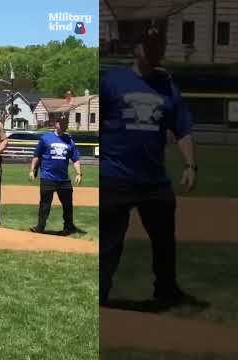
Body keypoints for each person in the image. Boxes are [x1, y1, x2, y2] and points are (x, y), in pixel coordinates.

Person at [99, 26, 197, 306]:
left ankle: (166, 290)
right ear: (136, 49)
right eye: (148, 45)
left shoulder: (168, 86)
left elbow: (183, 129)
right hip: (115, 176)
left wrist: (191, 165)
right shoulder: (112, 81)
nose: (154, 51)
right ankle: (99, 293)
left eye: (158, 46)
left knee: (165, 241)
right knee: (109, 244)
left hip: (154, 180)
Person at [29, 114, 82, 235]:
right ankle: (40, 227)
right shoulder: (46, 138)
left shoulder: (69, 140)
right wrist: (32, 170)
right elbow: (37, 155)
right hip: (48, 177)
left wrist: (79, 173)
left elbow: (76, 159)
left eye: (66, 123)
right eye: (62, 123)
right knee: (45, 204)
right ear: (56, 124)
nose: (64, 125)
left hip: (63, 179)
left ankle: (69, 227)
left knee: (68, 205)